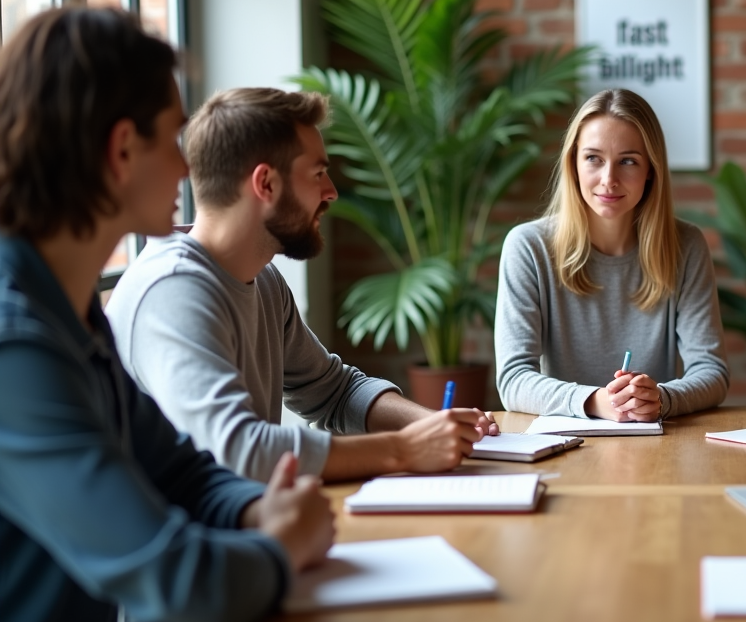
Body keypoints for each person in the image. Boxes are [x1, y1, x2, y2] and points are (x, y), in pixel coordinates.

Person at [0, 6, 336, 622]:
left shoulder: (69, 310)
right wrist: (282, 543)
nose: (187, 166)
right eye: (173, 138)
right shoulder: (17, 347)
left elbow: (179, 472)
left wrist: (256, 510)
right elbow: (182, 584)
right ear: (122, 150)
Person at [106, 88, 497, 484]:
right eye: (318, 173)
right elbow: (236, 449)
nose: (332, 192)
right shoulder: (172, 290)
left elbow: (335, 392)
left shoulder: (263, 279)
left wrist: (433, 426)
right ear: (266, 183)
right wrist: (406, 449)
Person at [495, 88, 728, 420]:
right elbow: (514, 379)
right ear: (573, 164)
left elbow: (711, 371)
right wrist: (594, 401)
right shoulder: (528, 247)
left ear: (650, 169)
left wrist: (662, 399)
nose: (609, 180)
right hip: (562, 441)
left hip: (656, 444)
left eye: (628, 161)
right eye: (593, 158)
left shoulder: (686, 246)